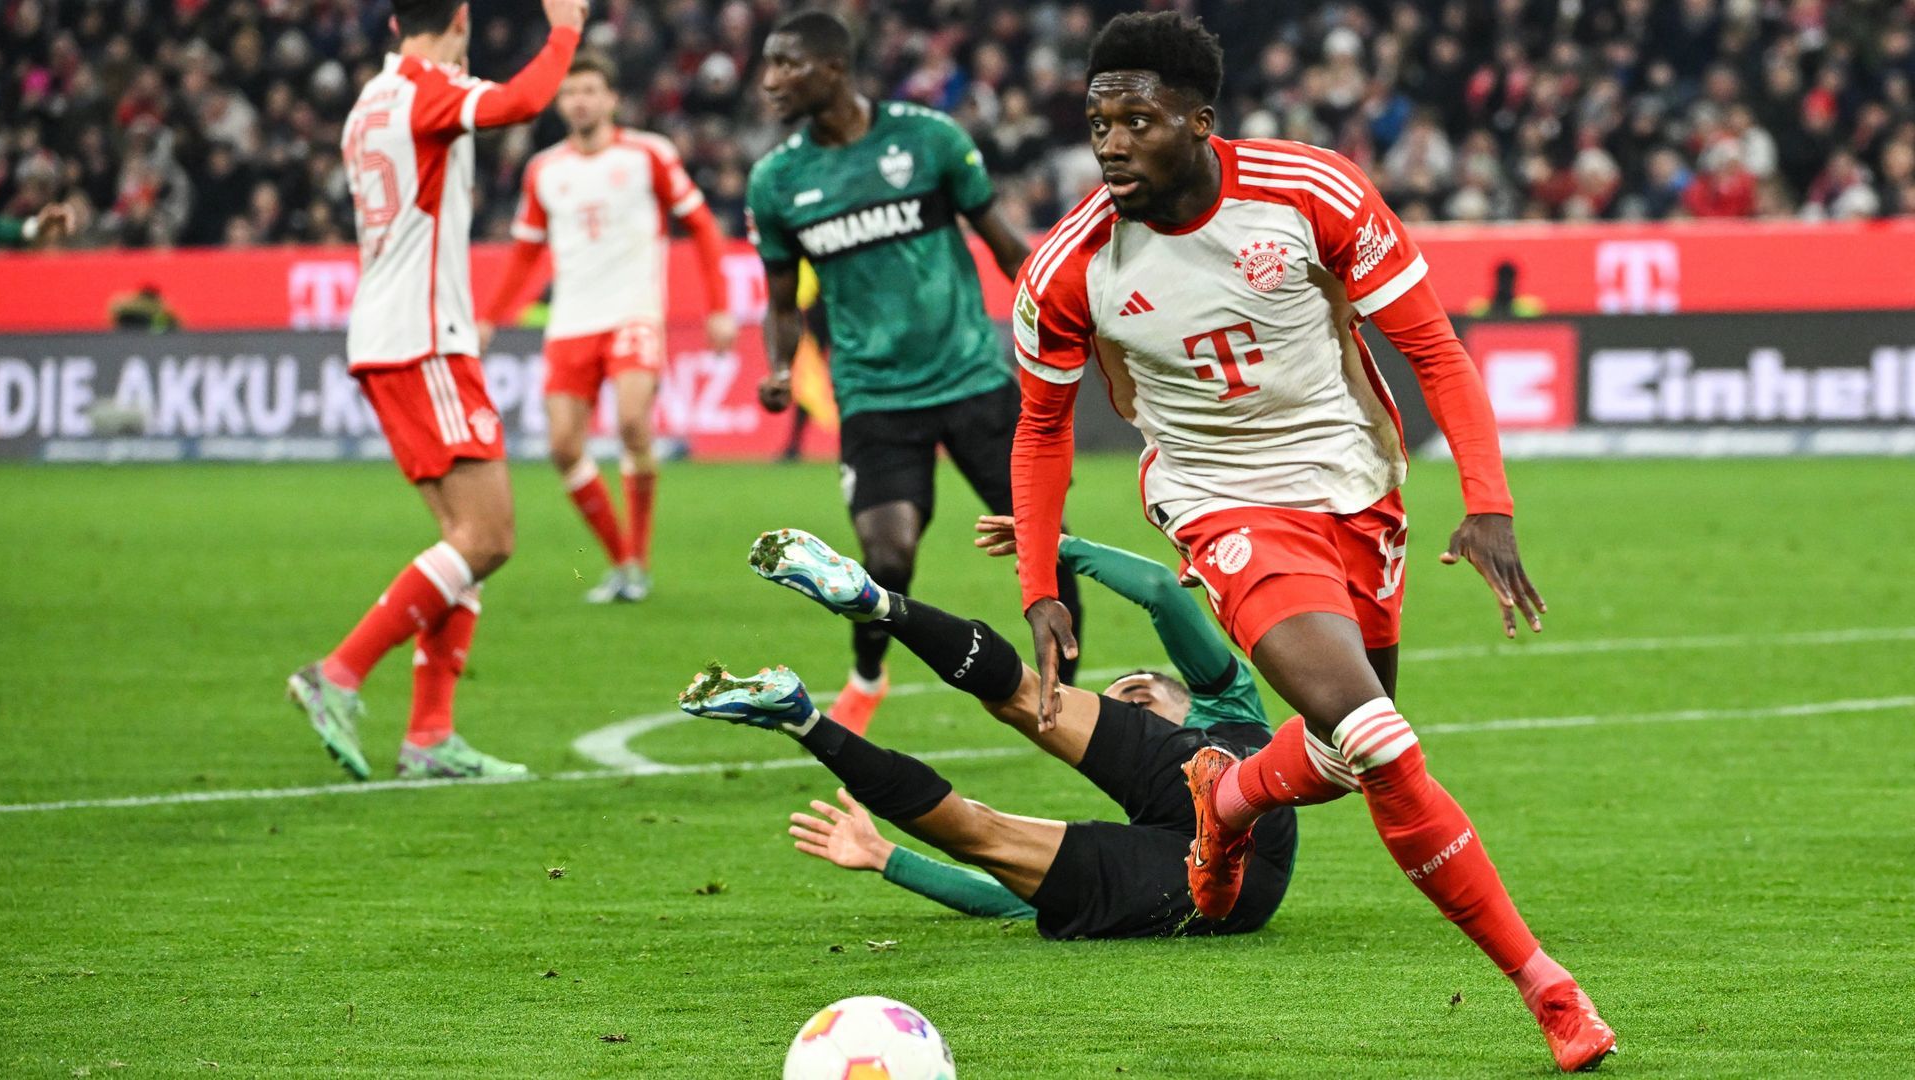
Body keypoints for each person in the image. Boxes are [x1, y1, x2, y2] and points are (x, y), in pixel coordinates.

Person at [1007, 12, 1614, 1072]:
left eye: (1137, 121)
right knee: (1380, 740)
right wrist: (1039, 579)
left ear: (1199, 122)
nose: (1110, 144)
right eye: (1098, 122)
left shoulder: (1310, 193)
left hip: (1355, 484)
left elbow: (1430, 343)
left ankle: (1228, 793)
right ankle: (1547, 987)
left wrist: (1489, 501)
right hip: (1222, 502)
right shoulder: (1069, 267)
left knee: (1344, 751)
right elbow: (1042, 425)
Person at [677, 526, 1296, 941]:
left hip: (1215, 820)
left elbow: (1165, 592)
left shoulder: (1223, 702)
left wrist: (1052, 545)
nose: (1128, 714)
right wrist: (887, 858)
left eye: (1137, 700)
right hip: (1212, 879)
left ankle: (875, 610)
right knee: (982, 830)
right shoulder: (1233, 709)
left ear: (1175, 701)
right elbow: (1013, 896)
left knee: (1023, 705)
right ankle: (802, 718)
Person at [742, 10, 1083, 734]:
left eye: (784, 64)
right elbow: (781, 300)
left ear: (832, 69)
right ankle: (868, 673)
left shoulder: (929, 140)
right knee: (885, 559)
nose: (768, 81)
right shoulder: (777, 180)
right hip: (874, 395)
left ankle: (1067, 698)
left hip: (972, 380)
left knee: (1043, 541)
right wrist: (778, 364)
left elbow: (1005, 247)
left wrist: (1063, 321)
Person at [286, 0, 585, 781]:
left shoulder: (370, 101)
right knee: (488, 539)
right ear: (459, 17)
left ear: (391, 24)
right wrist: (567, 30)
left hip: (390, 337)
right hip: (425, 339)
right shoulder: (427, 89)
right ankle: (339, 674)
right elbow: (522, 102)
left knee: (466, 542)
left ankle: (429, 737)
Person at [479, 53, 734, 603]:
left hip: (633, 312)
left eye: (591, 90)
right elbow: (525, 255)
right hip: (572, 321)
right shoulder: (545, 169)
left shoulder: (649, 155)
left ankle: (638, 559)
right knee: (563, 446)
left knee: (634, 425)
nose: (580, 101)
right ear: (561, 102)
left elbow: (703, 227)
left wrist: (719, 306)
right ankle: (621, 562)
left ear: (612, 99)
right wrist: (488, 318)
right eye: (571, 93)